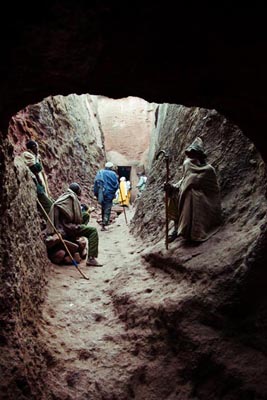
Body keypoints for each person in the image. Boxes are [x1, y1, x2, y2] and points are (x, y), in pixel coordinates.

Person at [164, 137, 222, 243]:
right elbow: (184, 181)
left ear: (199, 155)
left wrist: (188, 185)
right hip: (186, 194)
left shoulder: (208, 170)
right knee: (173, 194)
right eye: (190, 154)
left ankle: (194, 231)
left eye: (193, 153)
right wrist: (171, 187)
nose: (191, 157)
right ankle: (177, 228)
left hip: (206, 202)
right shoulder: (188, 165)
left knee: (192, 194)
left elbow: (211, 191)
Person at [47, 182, 102, 266]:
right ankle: (91, 258)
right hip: (68, 227)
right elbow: (73, 215)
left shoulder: (65, 196)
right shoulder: (71, 198)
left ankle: (77, 236)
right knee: (93, 231)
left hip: (63, 224)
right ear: (77, 191)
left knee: (86, 215)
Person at [22, 140, 53, 217]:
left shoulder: (35, 157)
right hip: (34, 184)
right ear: (33, 147)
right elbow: (36, 168)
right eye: (37, 147)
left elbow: (39, 169)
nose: (38, 149)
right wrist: (37, 163)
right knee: (49, 206)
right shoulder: (27, 155)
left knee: (49, 204)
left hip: (39, 184)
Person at [94, 161, 119, 231]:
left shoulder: (100, 172)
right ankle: (104, 223)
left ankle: (103, 222)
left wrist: (96, 193)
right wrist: (114, 190)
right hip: (110, 193)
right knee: (107, 208)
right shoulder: (113, 174)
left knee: (103, 207)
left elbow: (96, 182)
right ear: (111, 168)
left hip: (101, 193)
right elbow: (116, 185)